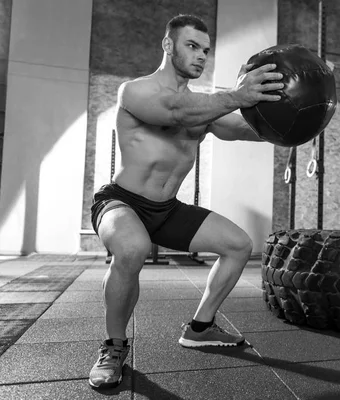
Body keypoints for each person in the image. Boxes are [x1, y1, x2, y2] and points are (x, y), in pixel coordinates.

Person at [88, 14, 284, 389]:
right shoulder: (135, 91)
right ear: (168, 45)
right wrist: (237, 96)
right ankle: (113, 346)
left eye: (206, 50)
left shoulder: (204, 108)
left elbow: (249, 131)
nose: (201, 56)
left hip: (166, 208)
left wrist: (297, 119)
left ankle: (200, 327)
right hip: (121, 202)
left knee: (239, 245)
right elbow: (175, 112)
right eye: (192, 46)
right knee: (133, 248)